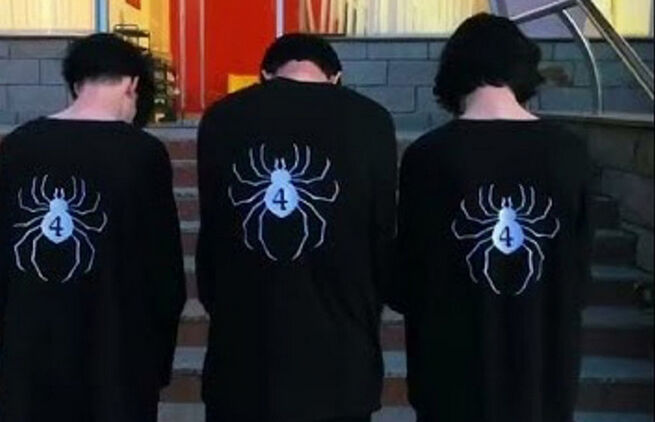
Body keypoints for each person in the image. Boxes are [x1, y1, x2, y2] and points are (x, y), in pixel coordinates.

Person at [391, 14, 591, 422]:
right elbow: (577, 273)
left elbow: (408, 280)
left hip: (452, 379)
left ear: (453, 72)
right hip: (541, 377)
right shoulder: (569, 152)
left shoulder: (428, 157)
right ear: (523, 67)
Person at [196, 33, 397, 422]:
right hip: (341, 358)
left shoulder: (222, 118)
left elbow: (213, 231)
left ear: (264, 75)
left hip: (244, 355)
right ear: (335, 76)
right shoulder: (370, 120)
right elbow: (382, 234)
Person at [0, 33, 185, 422]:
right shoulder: (142, 153)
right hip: (115, 342)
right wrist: (159, 352)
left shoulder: (19, 145)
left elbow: (3, 250)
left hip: (35, 339)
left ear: (76, 83)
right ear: (131, 84)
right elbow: (163, 265)